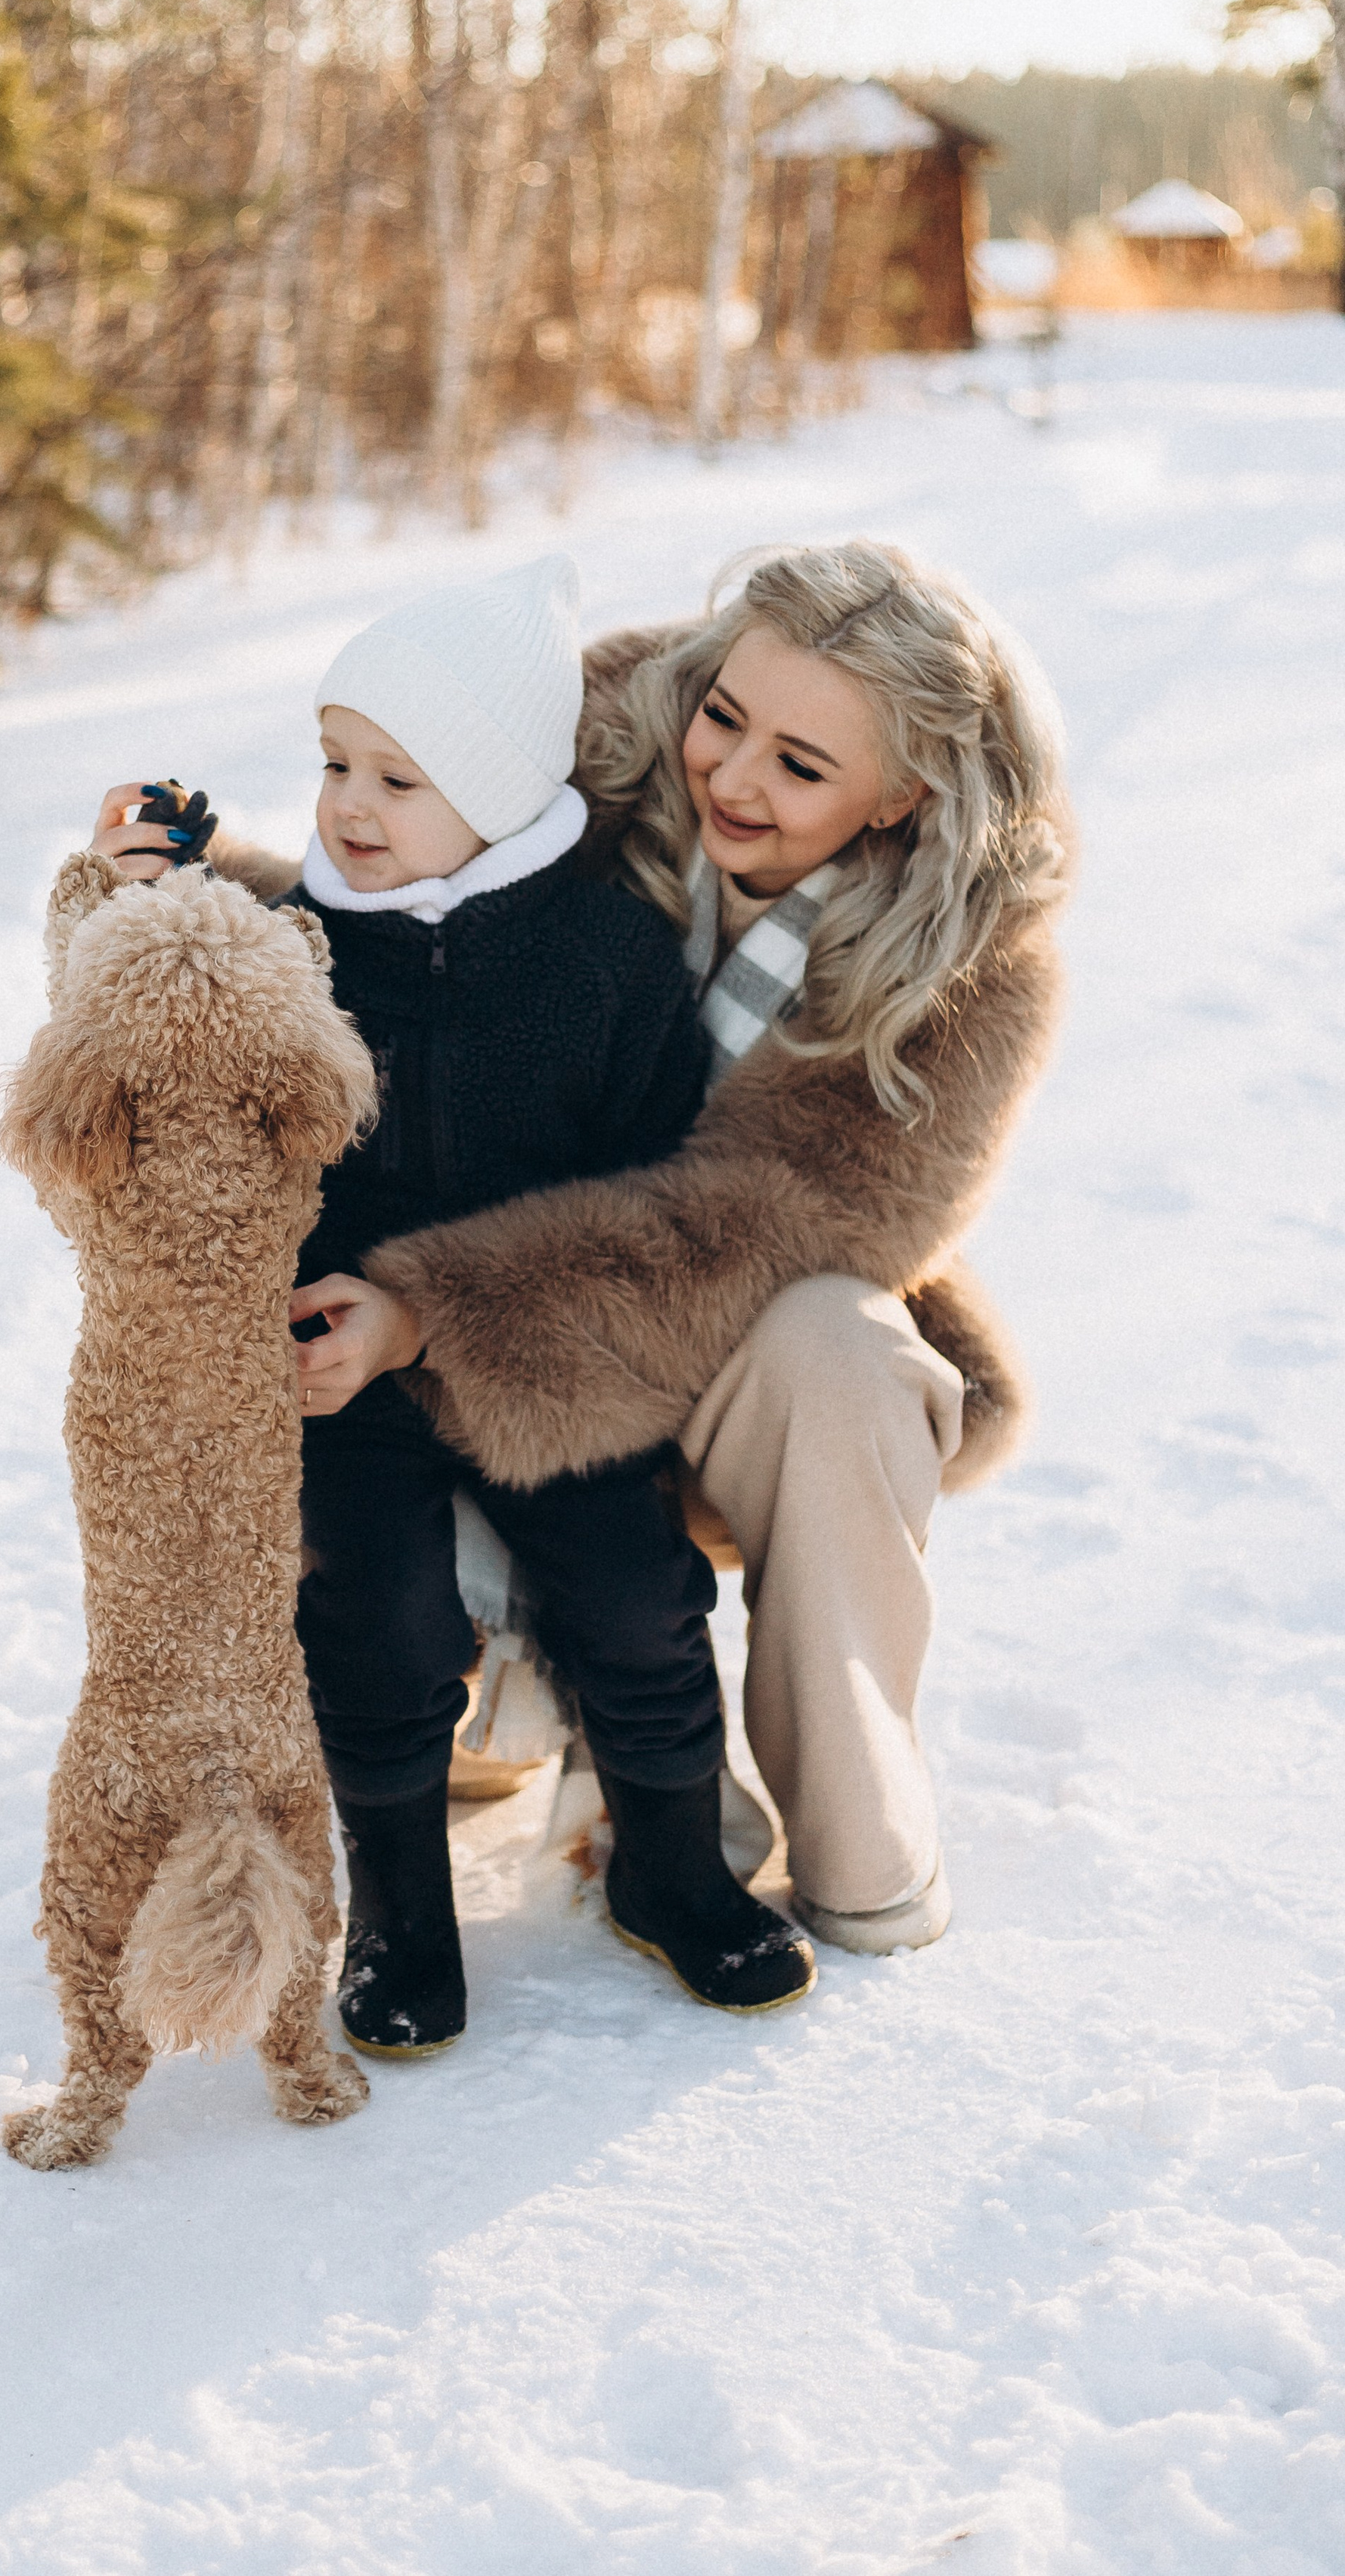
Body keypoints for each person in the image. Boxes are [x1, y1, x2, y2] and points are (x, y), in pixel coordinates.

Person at [271, 540, 1071, 1959]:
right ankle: (498, 1683)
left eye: (803, 767)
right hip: (482, 1297)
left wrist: (431, 1307)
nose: (735, 781)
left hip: (712, 1335)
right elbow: (389, 913)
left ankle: (860, 1843)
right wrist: (175, 889)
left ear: (906, 796)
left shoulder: (969, 972)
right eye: (724, 718)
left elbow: (746, 1233)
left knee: (840, 1347)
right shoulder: (589, 753)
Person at [91, 556, 817, 2056]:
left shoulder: (603, 961)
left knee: (632, 1600)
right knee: (374, 1621)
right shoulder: (299, 943)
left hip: (542, 1356)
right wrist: (155, 878)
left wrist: (488, 1320)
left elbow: (649, 1210)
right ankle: (404, 1914)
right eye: (333, 762)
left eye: (397, 778)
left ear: (494, 788)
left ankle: (672, 1868)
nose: (349, 806)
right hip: (343, 1380)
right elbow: (195, 1004)